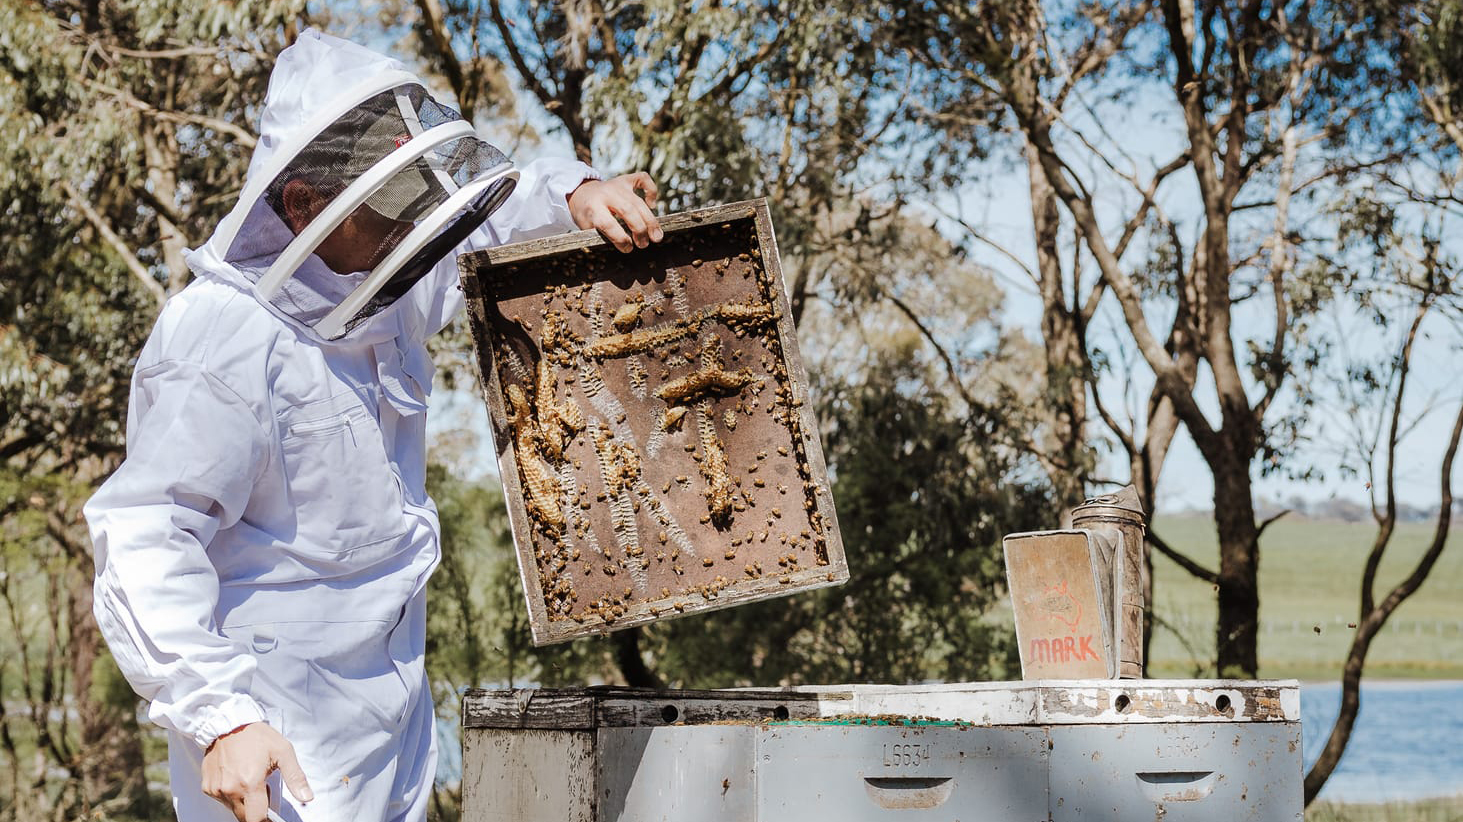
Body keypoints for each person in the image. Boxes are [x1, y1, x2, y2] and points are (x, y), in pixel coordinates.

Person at [83, 29, 661, 822]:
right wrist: (221, 718)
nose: (408, 230)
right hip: (273, 731)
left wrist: (574, 192)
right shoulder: (219, 339)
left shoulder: (382, 288)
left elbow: (486, 225)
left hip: (391, 710)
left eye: (414, 204)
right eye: (390, 211)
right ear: (303, 205)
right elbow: (148, 531)